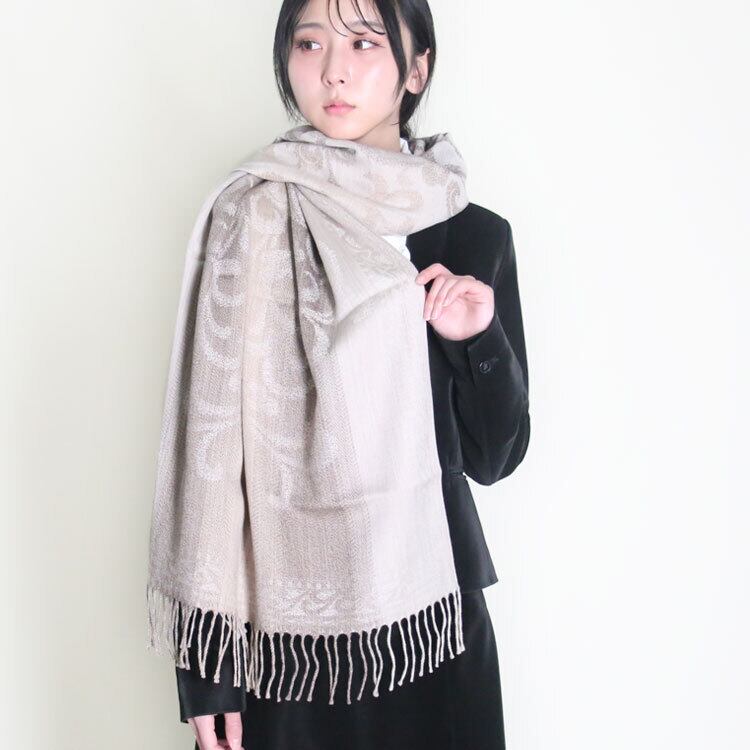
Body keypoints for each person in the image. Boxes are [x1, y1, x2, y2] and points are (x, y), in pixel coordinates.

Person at [171, 0, 530, 747]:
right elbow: (209, 457)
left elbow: (495, 456)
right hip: (281, 642)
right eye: (310, 44)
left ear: (416, 69)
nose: (333, 70)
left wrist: (477, 338)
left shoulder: (472, 235)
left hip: (434, 620)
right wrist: (205, 670)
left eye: (365, 43)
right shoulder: (249, 217)